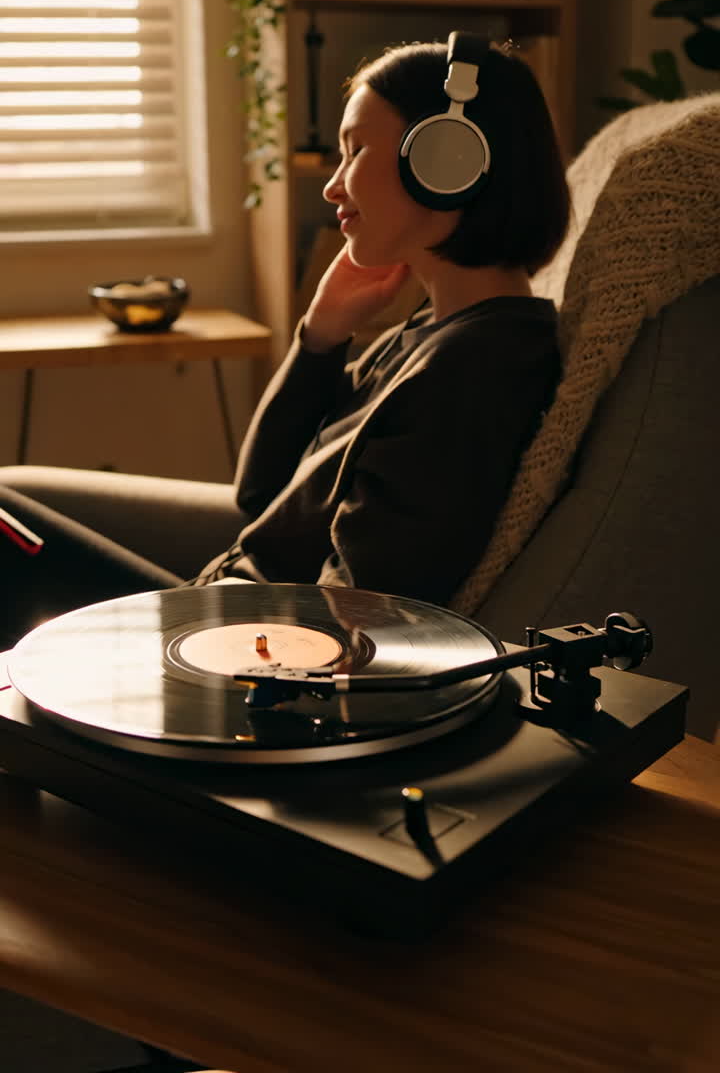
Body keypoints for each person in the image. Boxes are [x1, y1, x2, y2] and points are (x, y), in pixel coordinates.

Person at [0, 33, 569, 651]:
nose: (333, 186)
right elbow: (261, 494)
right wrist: (321, 336)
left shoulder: (473, 368)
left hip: (228, 645)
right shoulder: (431, 336)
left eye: (354, 153)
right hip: (222, 602)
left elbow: (360, 615)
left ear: (444, 162)